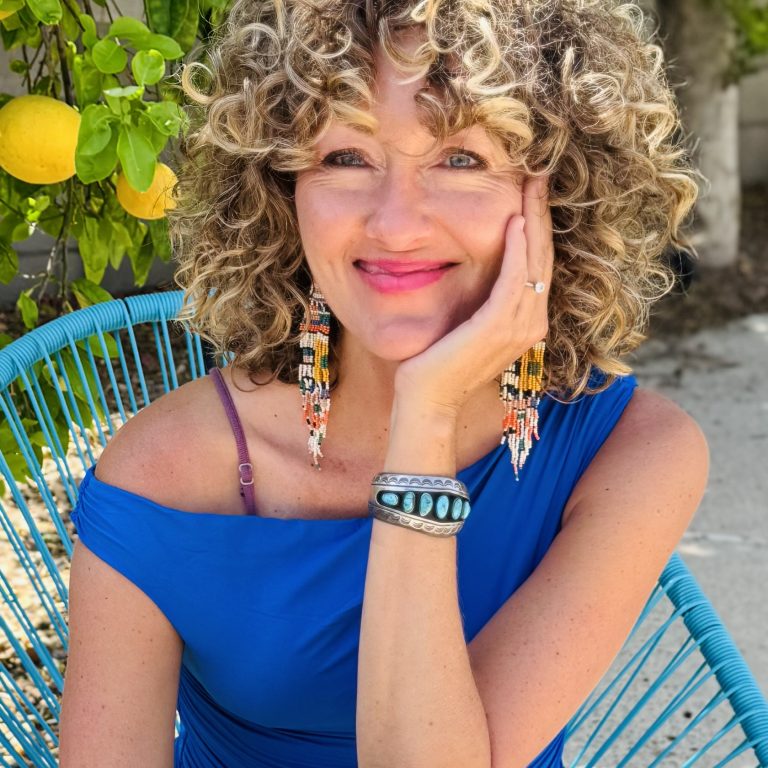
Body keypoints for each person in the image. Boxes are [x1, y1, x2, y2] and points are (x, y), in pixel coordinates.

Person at [58, 0, 709, 766]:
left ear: (562, 193)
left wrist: (422, 417)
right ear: (279, 192)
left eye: (460, 159)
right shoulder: (163, 477)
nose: (395, 224)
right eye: (345, 158)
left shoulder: (635, 454)